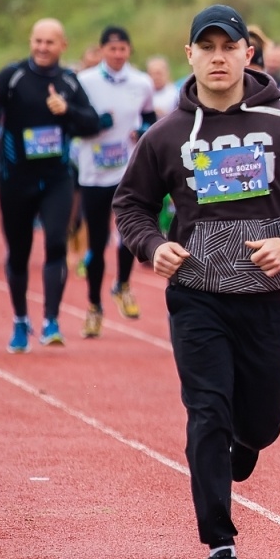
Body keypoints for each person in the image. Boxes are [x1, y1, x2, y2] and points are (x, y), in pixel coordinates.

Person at [114, 4, 280, 559]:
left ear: (248, 53)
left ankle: (247, 443)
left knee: (260, 426)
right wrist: (150, 247)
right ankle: (220, 544)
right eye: (206, 47)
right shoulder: (166, 135)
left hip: (267, 302)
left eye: (228, 46)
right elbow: (131, 205)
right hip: (197, 297)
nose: (218, 57)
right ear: (190, 55)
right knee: (207, 414)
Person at [0, 19, 102, 350]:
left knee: (56, 243)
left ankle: (51, 322)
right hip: (15, 180)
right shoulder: (12, 77)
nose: (42, 47)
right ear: (31, 42)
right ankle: (20, 321)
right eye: (37, 41)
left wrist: (66, 109)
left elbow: (92, 122)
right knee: (19, 252)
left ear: (62, 46)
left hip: (57, 178)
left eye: (49, 42)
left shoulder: (69, 80)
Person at [75, 26, 156, 335]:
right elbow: (74, 121)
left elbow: (150, 117)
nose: (118, 54)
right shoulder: (85, 82)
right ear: (102, 51)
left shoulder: (142, 82)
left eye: (123, 49)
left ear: (129, 51)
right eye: (112, 49)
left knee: (130, 235)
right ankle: (94, 305)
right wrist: (98, 123)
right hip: (94, 173)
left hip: (129, 172)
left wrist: (143, 129)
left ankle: (122, 285)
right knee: (96, 242)